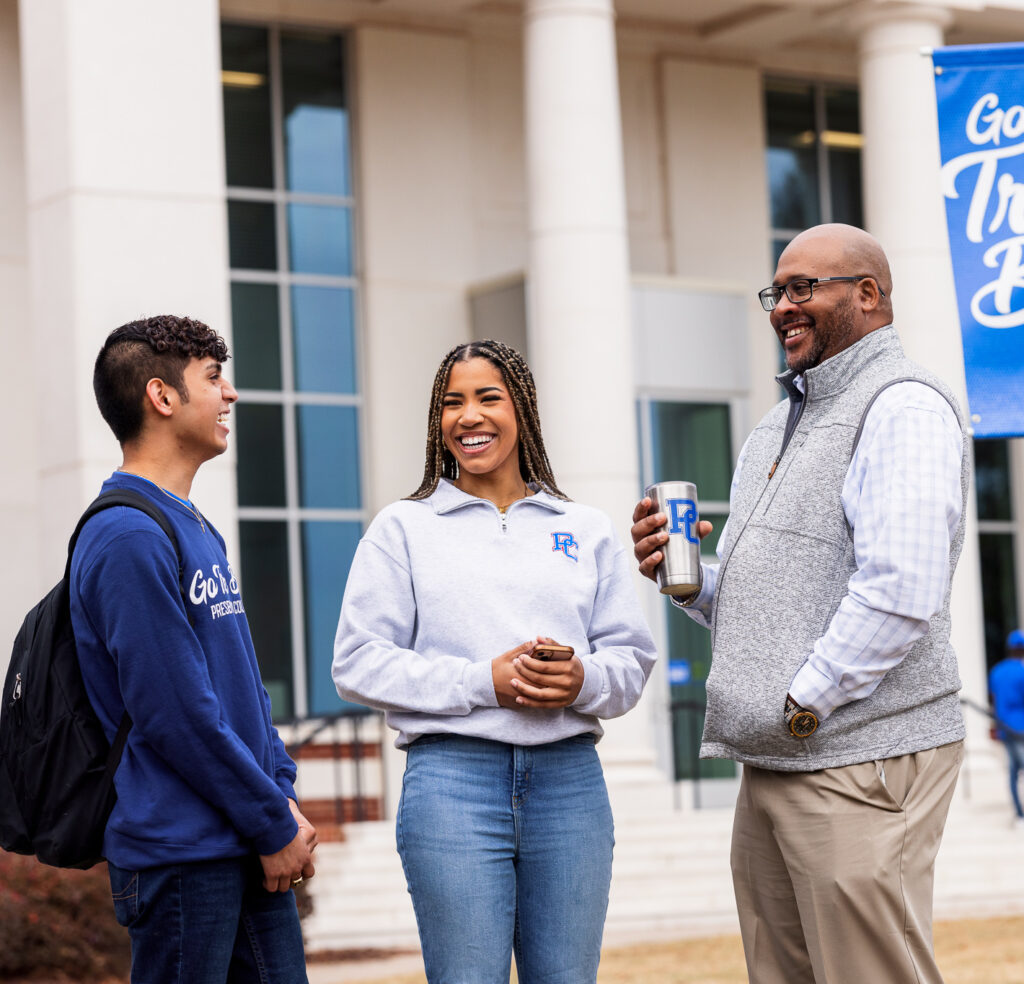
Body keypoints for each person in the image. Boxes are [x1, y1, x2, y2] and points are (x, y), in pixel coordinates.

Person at [632, 224, 969, 984]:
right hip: (779, 756)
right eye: (776, 292)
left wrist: (803, 703)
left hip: (857, 754)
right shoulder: (776, 427)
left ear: (868, 295)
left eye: (803, 288)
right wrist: (687, 582)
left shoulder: (902, 407)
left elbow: (901, 589)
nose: (782, 306)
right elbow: (764, 601)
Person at [332, 339, 656, 984]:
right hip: (452, 781)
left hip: (569, 783)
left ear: (522, 411)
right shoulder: (403, 528)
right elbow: (357, 662)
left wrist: (581, 680)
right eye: (452, 403)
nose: (469, 416)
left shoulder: (585, 527)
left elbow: (631, 661)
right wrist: (484, 682)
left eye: (488, 398)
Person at [71, 316, 317, 984]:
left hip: (243, 839)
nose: (230, 393)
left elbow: (243, 689)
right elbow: (174, 712)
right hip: (181, 857)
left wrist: (280, 799)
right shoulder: (128, 536)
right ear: (162, 397)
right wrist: (270, 821)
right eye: (213, 377)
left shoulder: (193, 526)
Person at [989, 629, 1024, 826]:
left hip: (1005, 726)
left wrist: (996, 726)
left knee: (1012, 771)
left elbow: (994, 701)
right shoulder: (1022, 671)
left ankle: (1019, 813)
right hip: (1021, 726)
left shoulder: (997, 671)